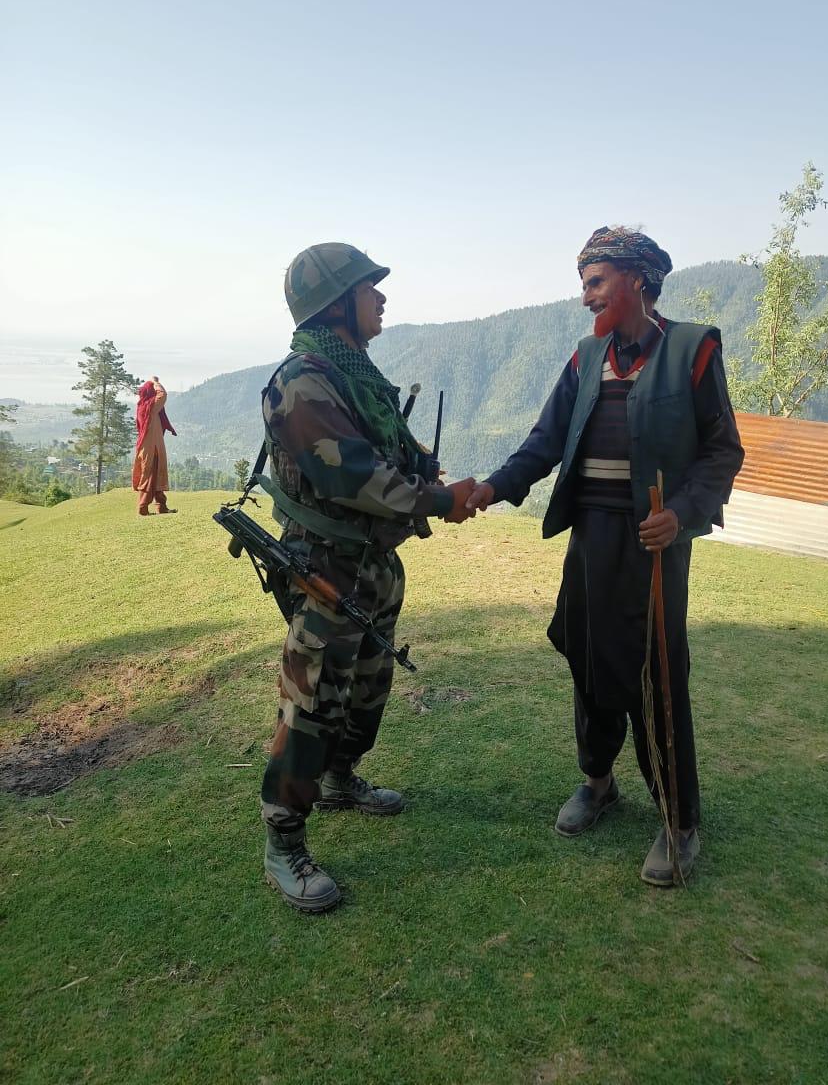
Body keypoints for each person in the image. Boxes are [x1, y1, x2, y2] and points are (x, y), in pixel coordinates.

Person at [466, 226, 744, 886]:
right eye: (584, 284)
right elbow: (545, 440)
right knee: (588, 657)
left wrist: (681, 513)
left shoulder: (692, 350)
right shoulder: (586, 360)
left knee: (655, 673)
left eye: (596, 282)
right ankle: (598, 783)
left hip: (653, 543)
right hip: (590, 534)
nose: (586, 297)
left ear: (637, 280)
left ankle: (680, 820)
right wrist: (492, 487)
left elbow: (722, 450)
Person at [260, 241, 477, 912]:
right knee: (311, 701)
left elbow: (386, 452)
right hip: (327, 568)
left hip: (373, 569)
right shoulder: (303, 381)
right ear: (336, 303)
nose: (380, 298)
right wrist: (441, 499)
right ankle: (285, 843)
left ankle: (340, 779)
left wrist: (422, 470)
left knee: (366, 690)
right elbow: (349, 474)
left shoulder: (355, 375)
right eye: (368, 288)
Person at [132, 376, 177, 515]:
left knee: (155, 477)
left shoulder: (144, 407)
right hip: (151, 449)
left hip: (151, 447)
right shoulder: (149, 408)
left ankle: (161, 506)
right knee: (149, 478)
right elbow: (162, 395)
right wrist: (155, 382)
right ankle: (143, 507)